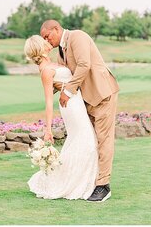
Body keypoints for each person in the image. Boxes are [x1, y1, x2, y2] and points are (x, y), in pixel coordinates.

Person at [40, 20, 120, 202]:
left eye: (47, 36)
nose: (47, 40)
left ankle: (103, 186)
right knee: (91, 140)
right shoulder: (60, 52)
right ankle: (91, 181)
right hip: (85, 100)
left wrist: (68, 91)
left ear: (56, 29)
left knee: (103, 140)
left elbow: (84, 65)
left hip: (102, 93)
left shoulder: (78, 37)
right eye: (44, 38)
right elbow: (67, 76)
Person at [25, 35, 98, 200]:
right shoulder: (46, 70)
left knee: (84, 139)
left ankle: (81, 180)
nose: (47, 42)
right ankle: (74, 182)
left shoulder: (52, 63)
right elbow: (49, 102)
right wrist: (48, 129)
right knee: (85, 140)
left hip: (76, 101)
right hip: (70, 106)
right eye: (43, 41)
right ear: (39, 48)